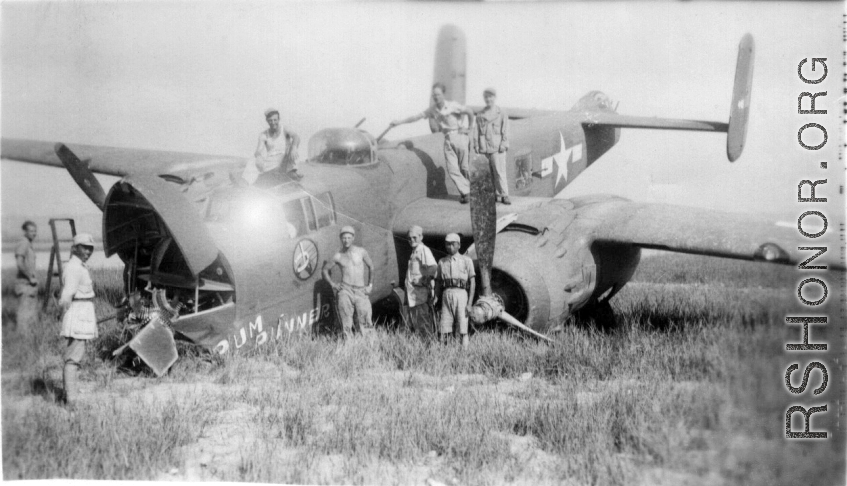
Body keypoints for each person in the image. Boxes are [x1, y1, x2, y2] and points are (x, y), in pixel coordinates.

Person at [390, 83, 476, 204]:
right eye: (434, 95)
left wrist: (470, 128)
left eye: (438, 94)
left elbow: (469, 112)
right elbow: (416, 117)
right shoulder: (433, 110)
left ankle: (470, 191)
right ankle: (466, 192)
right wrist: (399, 122)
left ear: (443, 94)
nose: (436, 97)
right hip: (447, 139)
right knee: (452, 169)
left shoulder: (453, 106)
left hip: (460, 137)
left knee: (464, 168)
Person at [58, 233, 98, 406]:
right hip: (78, 315)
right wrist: (64, 315)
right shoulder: (74, 267)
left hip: (81, 313)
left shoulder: (78, 266)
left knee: (73, 357)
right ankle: (72, 400)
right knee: (73, 358)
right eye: (84, 247)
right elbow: (66, 296)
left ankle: (68, 394)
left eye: (90, 248)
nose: (88, 251)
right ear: (75, 248)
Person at [322, 226, 374, 339]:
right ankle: (348, 344)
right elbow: (325, 270)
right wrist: (333, 284)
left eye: (349, 237)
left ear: (353, 238)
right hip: (346, 290)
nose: (346, 240)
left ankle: (369, 343)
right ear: (341, 239)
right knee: (345, 319)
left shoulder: (361, 252)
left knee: (365, 317)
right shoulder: (338, 255)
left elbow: (371, 266)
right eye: (344, 238)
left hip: (361, 290)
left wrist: (370, 285)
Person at [434, 233, 476, 350]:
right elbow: (438, 281)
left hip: (461, 294)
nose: (450, 247)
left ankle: (464, 351)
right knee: (444, 326)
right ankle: (444, 351)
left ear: (459, 245)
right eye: (447, 244)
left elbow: (472, 282)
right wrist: (436, 296)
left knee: (463, 325)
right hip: (446, 294)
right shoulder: (442, 262)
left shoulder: (466, 260)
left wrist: (469, 304)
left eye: (453, 244)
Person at [472, 87, 511, 204]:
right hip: (485, 148)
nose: (488, 99)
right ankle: (493, 195)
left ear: (494, 97)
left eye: (490, 97)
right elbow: (476, 131)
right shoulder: (480, 115)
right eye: (486, 97)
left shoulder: (501, 112)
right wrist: (476, 145)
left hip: (497, 147)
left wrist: (504, 143)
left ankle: (504, 195)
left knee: (500, 171)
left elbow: (506, 129)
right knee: (488, 173)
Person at [245, 107, 302, 184]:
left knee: (293, 148)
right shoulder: (264, 134)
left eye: (275, 120)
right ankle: (248, 183)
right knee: (253, 160)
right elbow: (258, 150)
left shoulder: (284, 129)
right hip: (272, 161)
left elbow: (296, 137)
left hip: (285, 159)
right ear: (267, 121)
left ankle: (292, 173)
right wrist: (258, 156)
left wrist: (294, 148)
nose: (273, 122)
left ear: (279, 119)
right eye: (270, 120)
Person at [404, 225, 437, 336]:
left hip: (421, 295)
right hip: (414, 295)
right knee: (417, 322)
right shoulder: (414, 251)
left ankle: (429, 348)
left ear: (421, 237)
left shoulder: (423, 249)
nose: (411, 240)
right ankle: (422, 346)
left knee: (423, 322)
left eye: (414, 237)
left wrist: (424, 280)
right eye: (409, 238)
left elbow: (433, 267)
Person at [14, 221, 39, 333]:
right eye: (31, 231)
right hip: (25, 285)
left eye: (35, 231)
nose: (34, 233)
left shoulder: (28, 244)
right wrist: (30, 277)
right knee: (24, 317)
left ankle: (28, 342)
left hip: (29, 286)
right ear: (25, 231)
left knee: (30, 317)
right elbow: (19, 263)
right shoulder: (23, 244)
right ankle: (23, 343)